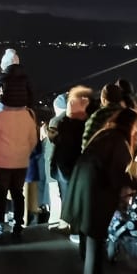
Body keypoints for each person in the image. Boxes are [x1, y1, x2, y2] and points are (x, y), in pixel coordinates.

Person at [62, 109, 137, 274]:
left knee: (87, 228)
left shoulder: (106, 134)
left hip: (84, 183)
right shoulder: (119, 142)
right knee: (96, 230)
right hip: (96, 189)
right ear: (132, 125)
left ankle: (87, 267)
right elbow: (117, 175)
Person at [0, 102, 38, 243]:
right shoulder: (27, 116)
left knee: (0, 195)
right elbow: (33, 140)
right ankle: (18, 226)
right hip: (21, 162)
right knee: (18, 193)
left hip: (0, 162)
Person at [48, 86, 93, 243]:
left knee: (66, 195)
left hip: (64, 165)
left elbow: (55, 141)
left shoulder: (59, 122)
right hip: (81, 165)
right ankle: (76, 227)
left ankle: (73, 228)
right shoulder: (87, 120)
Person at [81, 83, 124, 150]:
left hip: (103, 158)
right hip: (126, 158)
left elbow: (86, 143)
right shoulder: (130, 114)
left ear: (103, 99)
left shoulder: (99, 115)